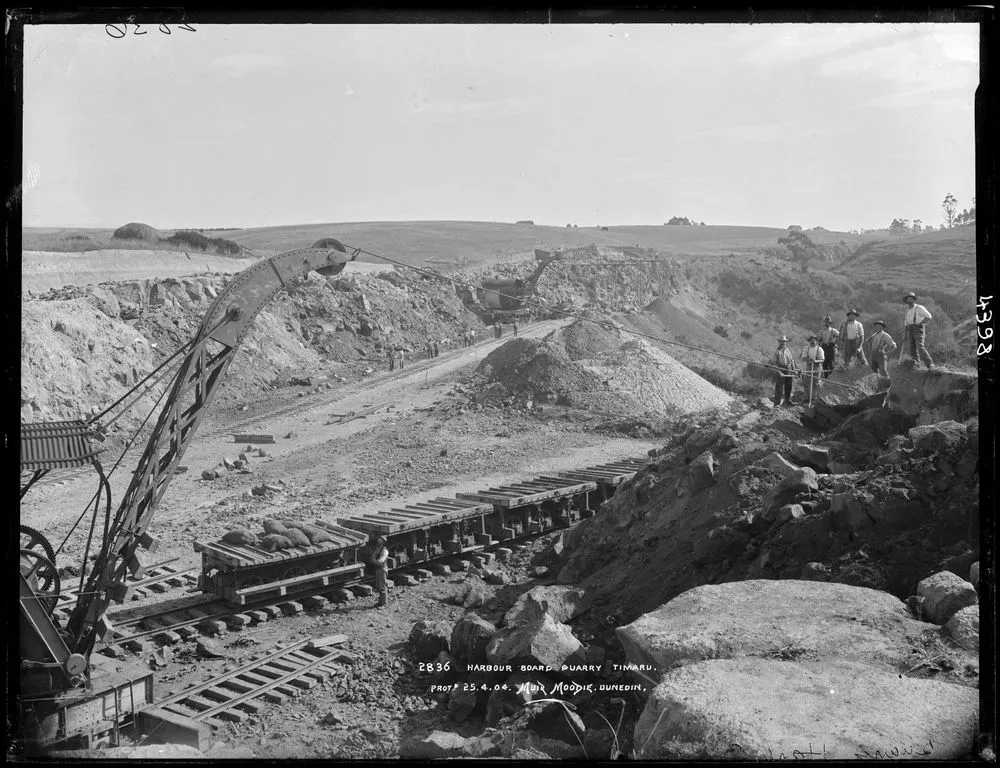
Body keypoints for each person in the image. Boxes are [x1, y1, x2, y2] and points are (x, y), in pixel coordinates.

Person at [901, 292, 934, 369]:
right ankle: (916, 364)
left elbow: (928, 316)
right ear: (906, 301)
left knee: (920, 346)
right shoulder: (907, 311)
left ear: (914, 300)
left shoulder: (919, 308)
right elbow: (906, 324)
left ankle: (930, 364)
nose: (909, 300)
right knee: (912, 348)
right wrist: (904, 335)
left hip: (918, 329)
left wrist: (920, 323)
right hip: (910, 329)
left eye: (911, 298)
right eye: (908, 299)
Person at [864, 319, 897, 388]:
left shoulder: (886, 335)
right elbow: (868, 343)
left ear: (882, 327)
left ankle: (888, 386)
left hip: (881, 355)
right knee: (873, 371)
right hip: (873, 355)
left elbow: (894, 346)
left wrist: (886, 353)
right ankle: (875, 387)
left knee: (883, 371)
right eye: (876, 326)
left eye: (879, 326)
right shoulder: (874, 335)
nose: (878, 327)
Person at [772, 335, 798, 406]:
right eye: (781, 341)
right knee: (779, 387)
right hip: (781, 369)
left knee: (789, 386)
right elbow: (774, 363)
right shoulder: (777, 352)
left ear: (786, 342)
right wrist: (779, 371)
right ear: (779, 342)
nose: (783, 343)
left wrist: (794, 369)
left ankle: (787, 401)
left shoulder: (788, 350)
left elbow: (791, 360)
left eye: (784, 342)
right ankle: (777, 403)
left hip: (788, 369)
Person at [800, 335, 825, 403]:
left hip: (817, 367)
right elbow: (803, 358)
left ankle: (813, 398)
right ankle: (806, 397)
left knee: (815, 383)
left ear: (816, 341)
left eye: (813, 340)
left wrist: (815, 361)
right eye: (811, 340)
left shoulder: (819, 349)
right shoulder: (806, 348)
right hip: (808, 367)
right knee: (806, 382)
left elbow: (822, 359)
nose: (812, 341)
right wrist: (808, 359)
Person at [372, 536, 389, 608]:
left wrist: (374, 560)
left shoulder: (384, 551)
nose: (378, 541)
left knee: (382, 587)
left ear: (383, 543)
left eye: (380, 541)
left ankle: (384, 604)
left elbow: (380, 562)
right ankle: (380, 602)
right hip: (378, 569)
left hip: (382, 569)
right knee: (379, 586)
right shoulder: (378, 549)